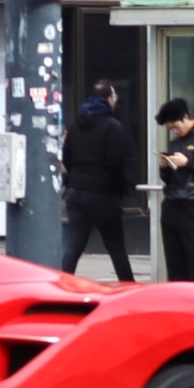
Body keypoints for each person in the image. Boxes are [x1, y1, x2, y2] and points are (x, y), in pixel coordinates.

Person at [60, 80, 136, 282]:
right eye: (114, 98)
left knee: (74, 246)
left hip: (77, 193)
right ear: (108, 99)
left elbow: (66, 158)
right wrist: (120, 190)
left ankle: (61, 285)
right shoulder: (112, 126)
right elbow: (116, 162)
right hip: (103, 195)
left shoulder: (75, 126)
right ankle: (129, 288)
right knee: (116, 246)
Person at [154, 97, 194, 284]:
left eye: (175, 126)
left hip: (193, 205)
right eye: (170, 128)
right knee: (175, 260)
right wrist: (165, 167)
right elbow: (169, 178)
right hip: (172, 202)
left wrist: (188, 163)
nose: (174, 131)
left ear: (185, 117)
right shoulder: (175, 143)